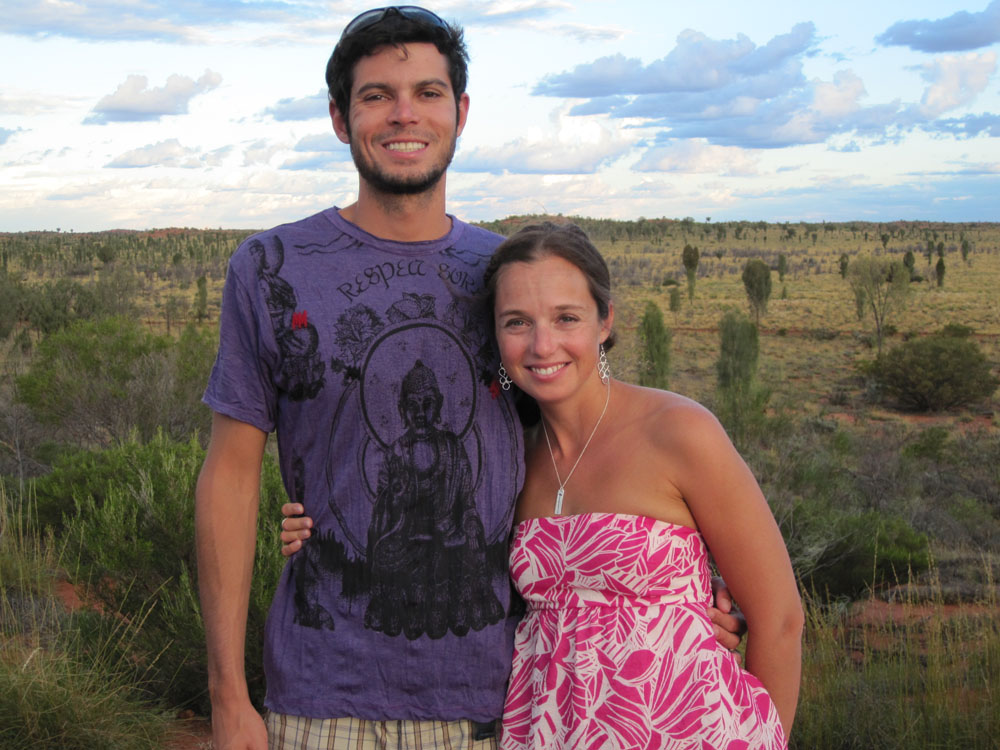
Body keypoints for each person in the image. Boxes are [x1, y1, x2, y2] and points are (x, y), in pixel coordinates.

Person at [196, 6, 746, 750]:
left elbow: (580, 445)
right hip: (324, 696)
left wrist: (676, 593)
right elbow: (230, 475)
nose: (402, 114)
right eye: (375, 95)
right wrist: (229, 697)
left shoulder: (507, 274)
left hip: (504, 701)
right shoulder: (270, 269)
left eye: (426, 93)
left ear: (460, 113)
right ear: (338, 117)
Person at [283, 223, 803, 748]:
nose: (542, 345)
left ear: (606, 321)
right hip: (548, 730)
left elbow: (780, 619)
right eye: (517, 322)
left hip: (688, 728)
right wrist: (311, 526)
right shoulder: (511, 461)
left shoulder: (678, 431)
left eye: (566, 318)